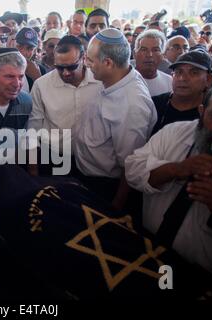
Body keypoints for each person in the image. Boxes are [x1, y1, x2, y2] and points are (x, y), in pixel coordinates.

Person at [125, 79, 212, 282]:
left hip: (208, 280)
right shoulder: (174, 133)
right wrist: (175, 169)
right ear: (201, 111)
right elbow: (133, 170)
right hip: (149, 257)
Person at [75, 28, 157, 209]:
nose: (86, 64)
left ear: (108, 63)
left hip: (104, 186)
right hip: (86, 175)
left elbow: (129, 165)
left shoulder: (131, 104)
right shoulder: (116, 78)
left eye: (90, 59)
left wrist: (116, 206)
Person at [28, 35, 101, 176]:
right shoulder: (41, 85)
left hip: (94, 161)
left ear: (84, 58)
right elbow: (33, 128)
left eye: (71, 67)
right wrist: (33, 170)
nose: (66, 73)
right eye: (59, 67)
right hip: (53, 159)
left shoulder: (101, 81)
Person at [151, 50, 212, 136]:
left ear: (208, 79)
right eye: (179, 72)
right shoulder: (154, 105)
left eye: (194, 73)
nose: (182, 78)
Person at [134, 29, 173, 96]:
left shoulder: (170, 82)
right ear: (134, 54)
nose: (149, 55)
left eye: (155, 50)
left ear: (163, 55)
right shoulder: (123, 81)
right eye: (144, 50)